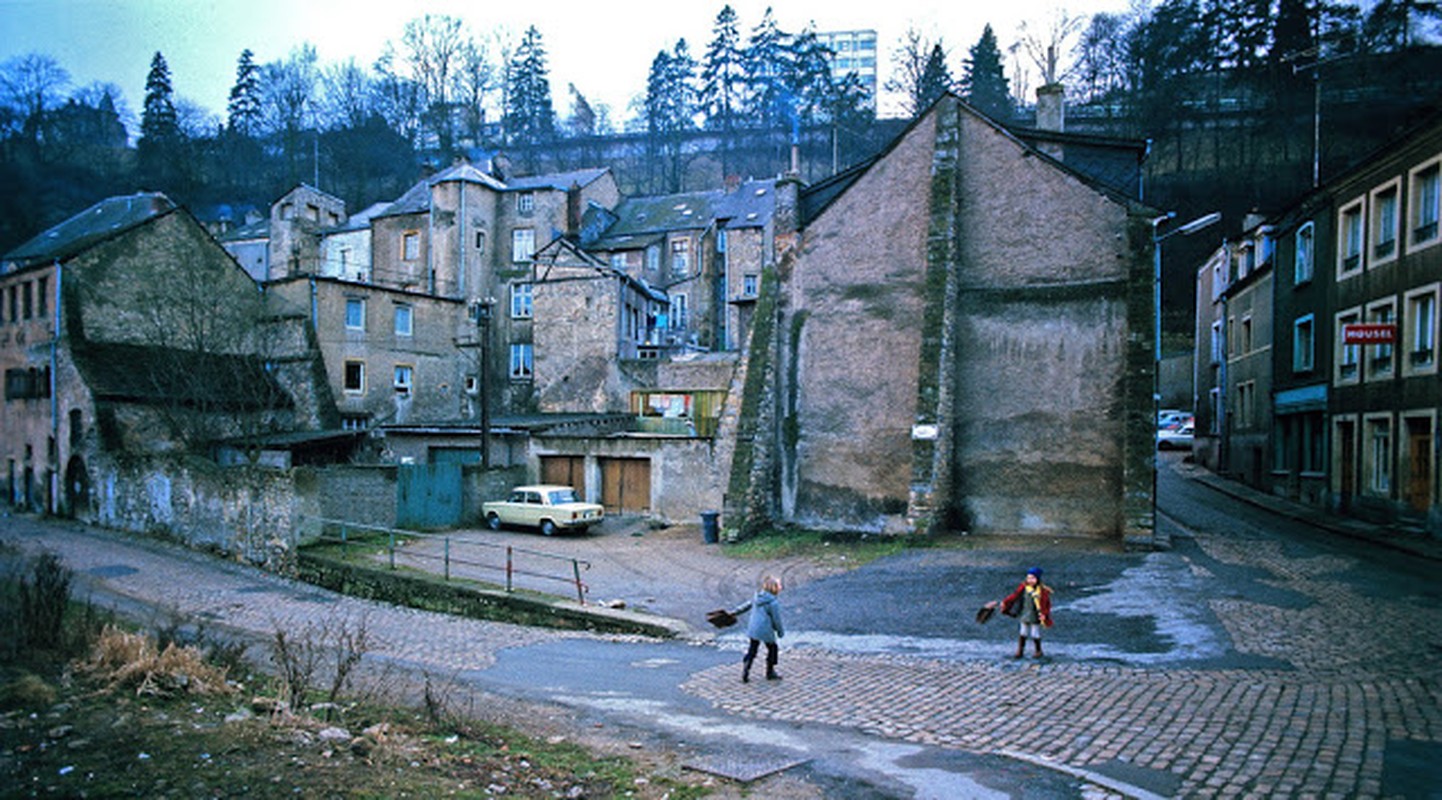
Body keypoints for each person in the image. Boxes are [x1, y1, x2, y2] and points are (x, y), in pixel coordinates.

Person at [988, 567, 1053, 659]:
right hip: (1025, 612)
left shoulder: (1042, 591)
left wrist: (1045, 614)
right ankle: (1020, 650)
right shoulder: (1024, 588)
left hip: (1035, 614)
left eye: (1032, 578)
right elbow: (1014, 596)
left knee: (1035, 633)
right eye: (1028, 578)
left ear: (1037, 579)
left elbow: (1047, 604)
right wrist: (1005, 602)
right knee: (1023, 632)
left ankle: (1038, 650)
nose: (1030, 580)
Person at [736, 575, 785, 683]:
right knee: (773, 649)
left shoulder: (757, 597)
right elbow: (776, 620)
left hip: (753, 628)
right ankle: (770, 672)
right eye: (779, 585)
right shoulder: (773, 603)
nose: (781, 586)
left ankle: (746, 668)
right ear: (774, 587)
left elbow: (746, 606)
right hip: (765, 630)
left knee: (752, 649)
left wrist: (735, 612)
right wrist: (780, 632)